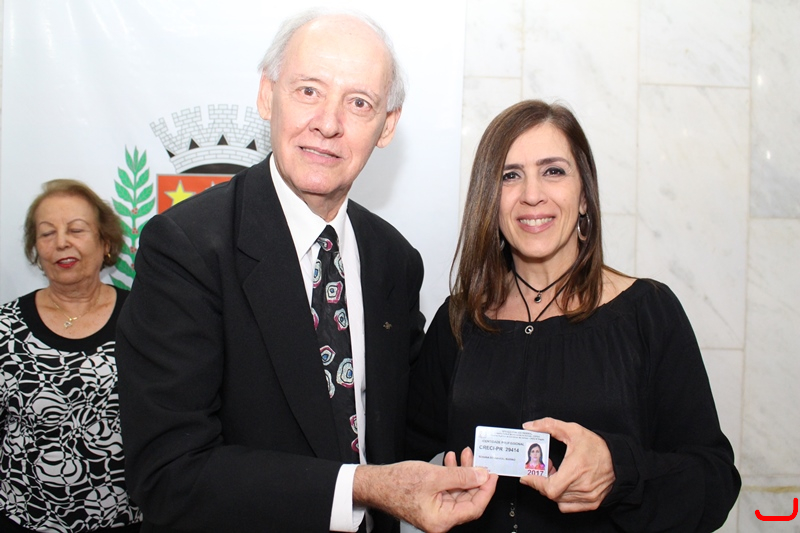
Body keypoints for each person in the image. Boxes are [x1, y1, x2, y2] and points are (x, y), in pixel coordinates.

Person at [114, 9, 496, 533]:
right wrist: (363, 487)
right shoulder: (187, 248)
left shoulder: (394, 260)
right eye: (309, 91)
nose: (329, 123)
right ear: (267, 95)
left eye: (358, 103)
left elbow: (416, 420)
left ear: (387, 125)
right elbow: (168, 475)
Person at [406, 100, 741, 532]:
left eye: (553, 171)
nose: (532, 194)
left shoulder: (647, 313)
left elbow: (714, 481)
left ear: (584, 196)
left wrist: (619, 471)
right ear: (490, 200)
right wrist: (441, 481)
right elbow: (407, 459)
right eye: (510, 175)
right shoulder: (457, 320)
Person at [0, 179, 141, 532]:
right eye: (47, 233)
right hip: (24, 519)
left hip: (127, 519)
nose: (61, 242)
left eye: (76, 230)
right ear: (36, 249)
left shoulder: (144, 320)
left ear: (105, 243)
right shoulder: (5, 327)